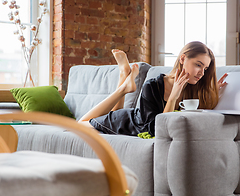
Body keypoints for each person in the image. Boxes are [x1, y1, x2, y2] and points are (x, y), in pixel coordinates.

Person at [78, 41, 228, 136]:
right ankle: (124, 87)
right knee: (78, 125)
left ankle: (125, 74)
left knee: (114, 111)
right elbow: (157, 129)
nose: (202, 73)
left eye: (205, 68)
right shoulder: (153, 85)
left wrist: (213, 92)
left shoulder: (193, 89)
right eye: (198, 65)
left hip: (136, 116)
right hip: (126, 123)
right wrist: (173, 96)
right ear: (182, 59)